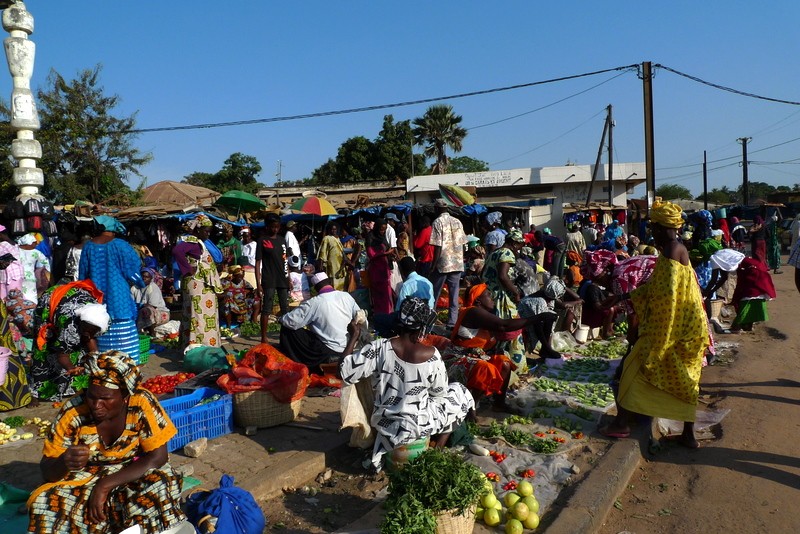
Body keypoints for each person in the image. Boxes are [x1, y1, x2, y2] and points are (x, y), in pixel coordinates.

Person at [28, 350, 185, 533]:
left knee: (162, 482)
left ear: (125, 397)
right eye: (92, 397)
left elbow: (158, 457)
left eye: (105, 399)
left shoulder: (141, 402)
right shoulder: (74, 412)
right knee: (44, 502)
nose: (96, 405)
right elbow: (47, 471)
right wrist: (64, 461)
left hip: (131, 472)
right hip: (87, 477)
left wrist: (105, 486)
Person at [601, 199, 710, 448]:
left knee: (633, 369)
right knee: (686, 379)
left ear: (662, 228)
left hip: (673, 328)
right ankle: (688, 435)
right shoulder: (674, 249)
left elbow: (668, 298)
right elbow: (655, 287)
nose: (652, 233)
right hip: (688, 327)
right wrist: (622, 296)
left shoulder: (672, 251)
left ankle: (622, 423)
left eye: (654, 228)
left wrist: (659, 337)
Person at [339, 297, 475, 471]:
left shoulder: (379, 347)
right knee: (459, 391)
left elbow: (344, 371)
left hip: (387, 423)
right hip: (419, 424)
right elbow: (439, 393)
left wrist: (354, 337)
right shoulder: (432, 356)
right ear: (422, 328)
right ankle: (438, 447)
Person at [449, 284, 548, 408]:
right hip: (459, 358)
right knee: (485, 368)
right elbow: (503, 326)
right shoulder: (473, 312)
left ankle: (499, 403)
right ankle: (471, 408)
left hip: (475, 356)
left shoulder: (484, 314)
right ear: (478, 300)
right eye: (488, 295)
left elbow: (503, 331)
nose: (492, 298)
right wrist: (537, 318)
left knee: (504, 363)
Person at [30, 281, 107, 401]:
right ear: (80, 323)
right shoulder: (69, 324)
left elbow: (90, 339)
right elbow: (63, 354)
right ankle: (41, 390)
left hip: (74, 298)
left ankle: (73, 386)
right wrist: (71, 368)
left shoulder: (100, 318)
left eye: (92, 331)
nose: (88, 333)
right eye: (86, 329)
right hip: (50, 301)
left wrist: (97, 361)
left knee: (83, 341)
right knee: (47, 346)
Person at [78, 217, 142, 361]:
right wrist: (137, 282)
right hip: (120, 301)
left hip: (97, 302)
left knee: (103, 347)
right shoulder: (121, 245)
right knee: (127, 353)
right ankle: (127, 372)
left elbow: (82, 276)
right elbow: (134, 270)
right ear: (113, 230)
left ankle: (107, 374)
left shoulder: (88, 247)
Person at [279, 272, 362, 373]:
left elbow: (289, 321)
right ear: (329, 282)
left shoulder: (314, 302)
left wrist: (280, 318)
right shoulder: (346, 296)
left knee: (287, 329)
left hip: (327, 350)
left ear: (316, 288)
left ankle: (301, 363)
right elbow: (360, 316)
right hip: (349, 345)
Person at [172, 214, 223, 348]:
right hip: (198, 285)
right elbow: (177, 251)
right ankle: (200, 345)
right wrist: (188, 269)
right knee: (198, 316)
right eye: (205, 231)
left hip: (201, 285)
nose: (208, 234)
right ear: (198, 229)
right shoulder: (192, 241)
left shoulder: (198, 242)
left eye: (209, 231)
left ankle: (197, 344)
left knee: (198, 314)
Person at [481, 229, 527, 369]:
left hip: (490, 296)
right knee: (512, 327)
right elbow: (503, 276)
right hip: (502, 297)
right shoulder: (507, 253)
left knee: (498, 329)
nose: (520, 248)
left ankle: (500, 361)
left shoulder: (493, 253)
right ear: (513, 243)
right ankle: (516, 365)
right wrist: (516, 292)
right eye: (519, 245)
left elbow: (483, 274)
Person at [373, 257, 435, 338]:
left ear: (402, 270)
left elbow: (400, 310)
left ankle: (392, 338)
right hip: (427, 321)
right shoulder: (427, 282)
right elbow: (432, 304)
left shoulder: (406, 285)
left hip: (412, 323)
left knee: (377, 318)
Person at [429, 199, 468, 329]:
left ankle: (430, 320)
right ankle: (452, 323)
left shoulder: (437, 222)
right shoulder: (457, 221)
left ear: (436, 209)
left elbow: (438, 246)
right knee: (454, 295)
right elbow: (463, 242)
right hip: (457, 263)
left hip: (443, 263)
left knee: (434, 294)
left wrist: (433, 265)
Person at [256, 214, 290, 343]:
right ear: (267, 226)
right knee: (267, 308)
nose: (275, 229)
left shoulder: (282, 240)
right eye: (273, 227)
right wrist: (259, 283)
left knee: (285, 309)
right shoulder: (262, 240)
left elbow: (285, 260)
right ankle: (264, 337)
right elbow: (258, 262)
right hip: (269, 278)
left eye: (277, 227)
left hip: (283, 278)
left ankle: (286, 337)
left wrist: (289, 278)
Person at [579, 249, 620, 339]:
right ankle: (605, 333)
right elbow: (597, 306)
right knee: (612, 309)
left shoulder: (593, 284)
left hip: (591, 310)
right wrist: (612, 305)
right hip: (589, 314)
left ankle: (610, 329)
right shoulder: (591, 287)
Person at [729, 257, 776, 332]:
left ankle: (738, 327)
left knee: (744, 314)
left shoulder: (745, 273)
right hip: (760, 296)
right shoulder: (761, 271)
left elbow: (739, 286)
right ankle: (748, 327)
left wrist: (735, 299)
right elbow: (767, 285)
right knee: (752, 315)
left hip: (748, 296)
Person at [366, 218, 396, 315]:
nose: (383, 232)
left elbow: (386, 248)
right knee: (378, 294)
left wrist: (391, 254)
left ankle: (388, 313)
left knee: (387, 293)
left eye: (384, 229)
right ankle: (380, 315)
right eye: (381, 229)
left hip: (384, 269)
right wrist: (386, 253)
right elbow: (371, 254)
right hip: (376, 269)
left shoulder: (382, 238)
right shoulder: (370, 237)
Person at [130, 268, 170, 337]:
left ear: (151, 279)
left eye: (147, 277)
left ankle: (152, 333)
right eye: (142, 276)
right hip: (140, 310)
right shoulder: (134, 288)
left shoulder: (153, 287)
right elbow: (130, 303)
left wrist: (140, 305)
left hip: (160, 312)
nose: (144, 278)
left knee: (147, 310)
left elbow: (152, 306)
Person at [17, 233, 50, 305]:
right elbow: (45, 266)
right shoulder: (37, 253)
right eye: (34, 243)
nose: (36, 245)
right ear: (28, 243)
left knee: (18, 297)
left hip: (16, 278)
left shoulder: (15, 251)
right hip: (30, 278)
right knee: (31, 298)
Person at [317, 221, 347, 291]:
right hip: (332, 266)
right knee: (334, 284)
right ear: (329, 230)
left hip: (340, 266)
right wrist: (321, 264)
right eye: (332, 229)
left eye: (335, 229)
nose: (333, 231)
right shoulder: (327, 238)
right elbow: (323, 252)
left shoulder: (337, 238)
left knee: (341, 285)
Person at [0, 226, 22, 300]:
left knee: (13, 299)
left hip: (12, 275)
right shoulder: (13, 243)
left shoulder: (3, 244)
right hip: (13, 274)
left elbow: (5, 260)